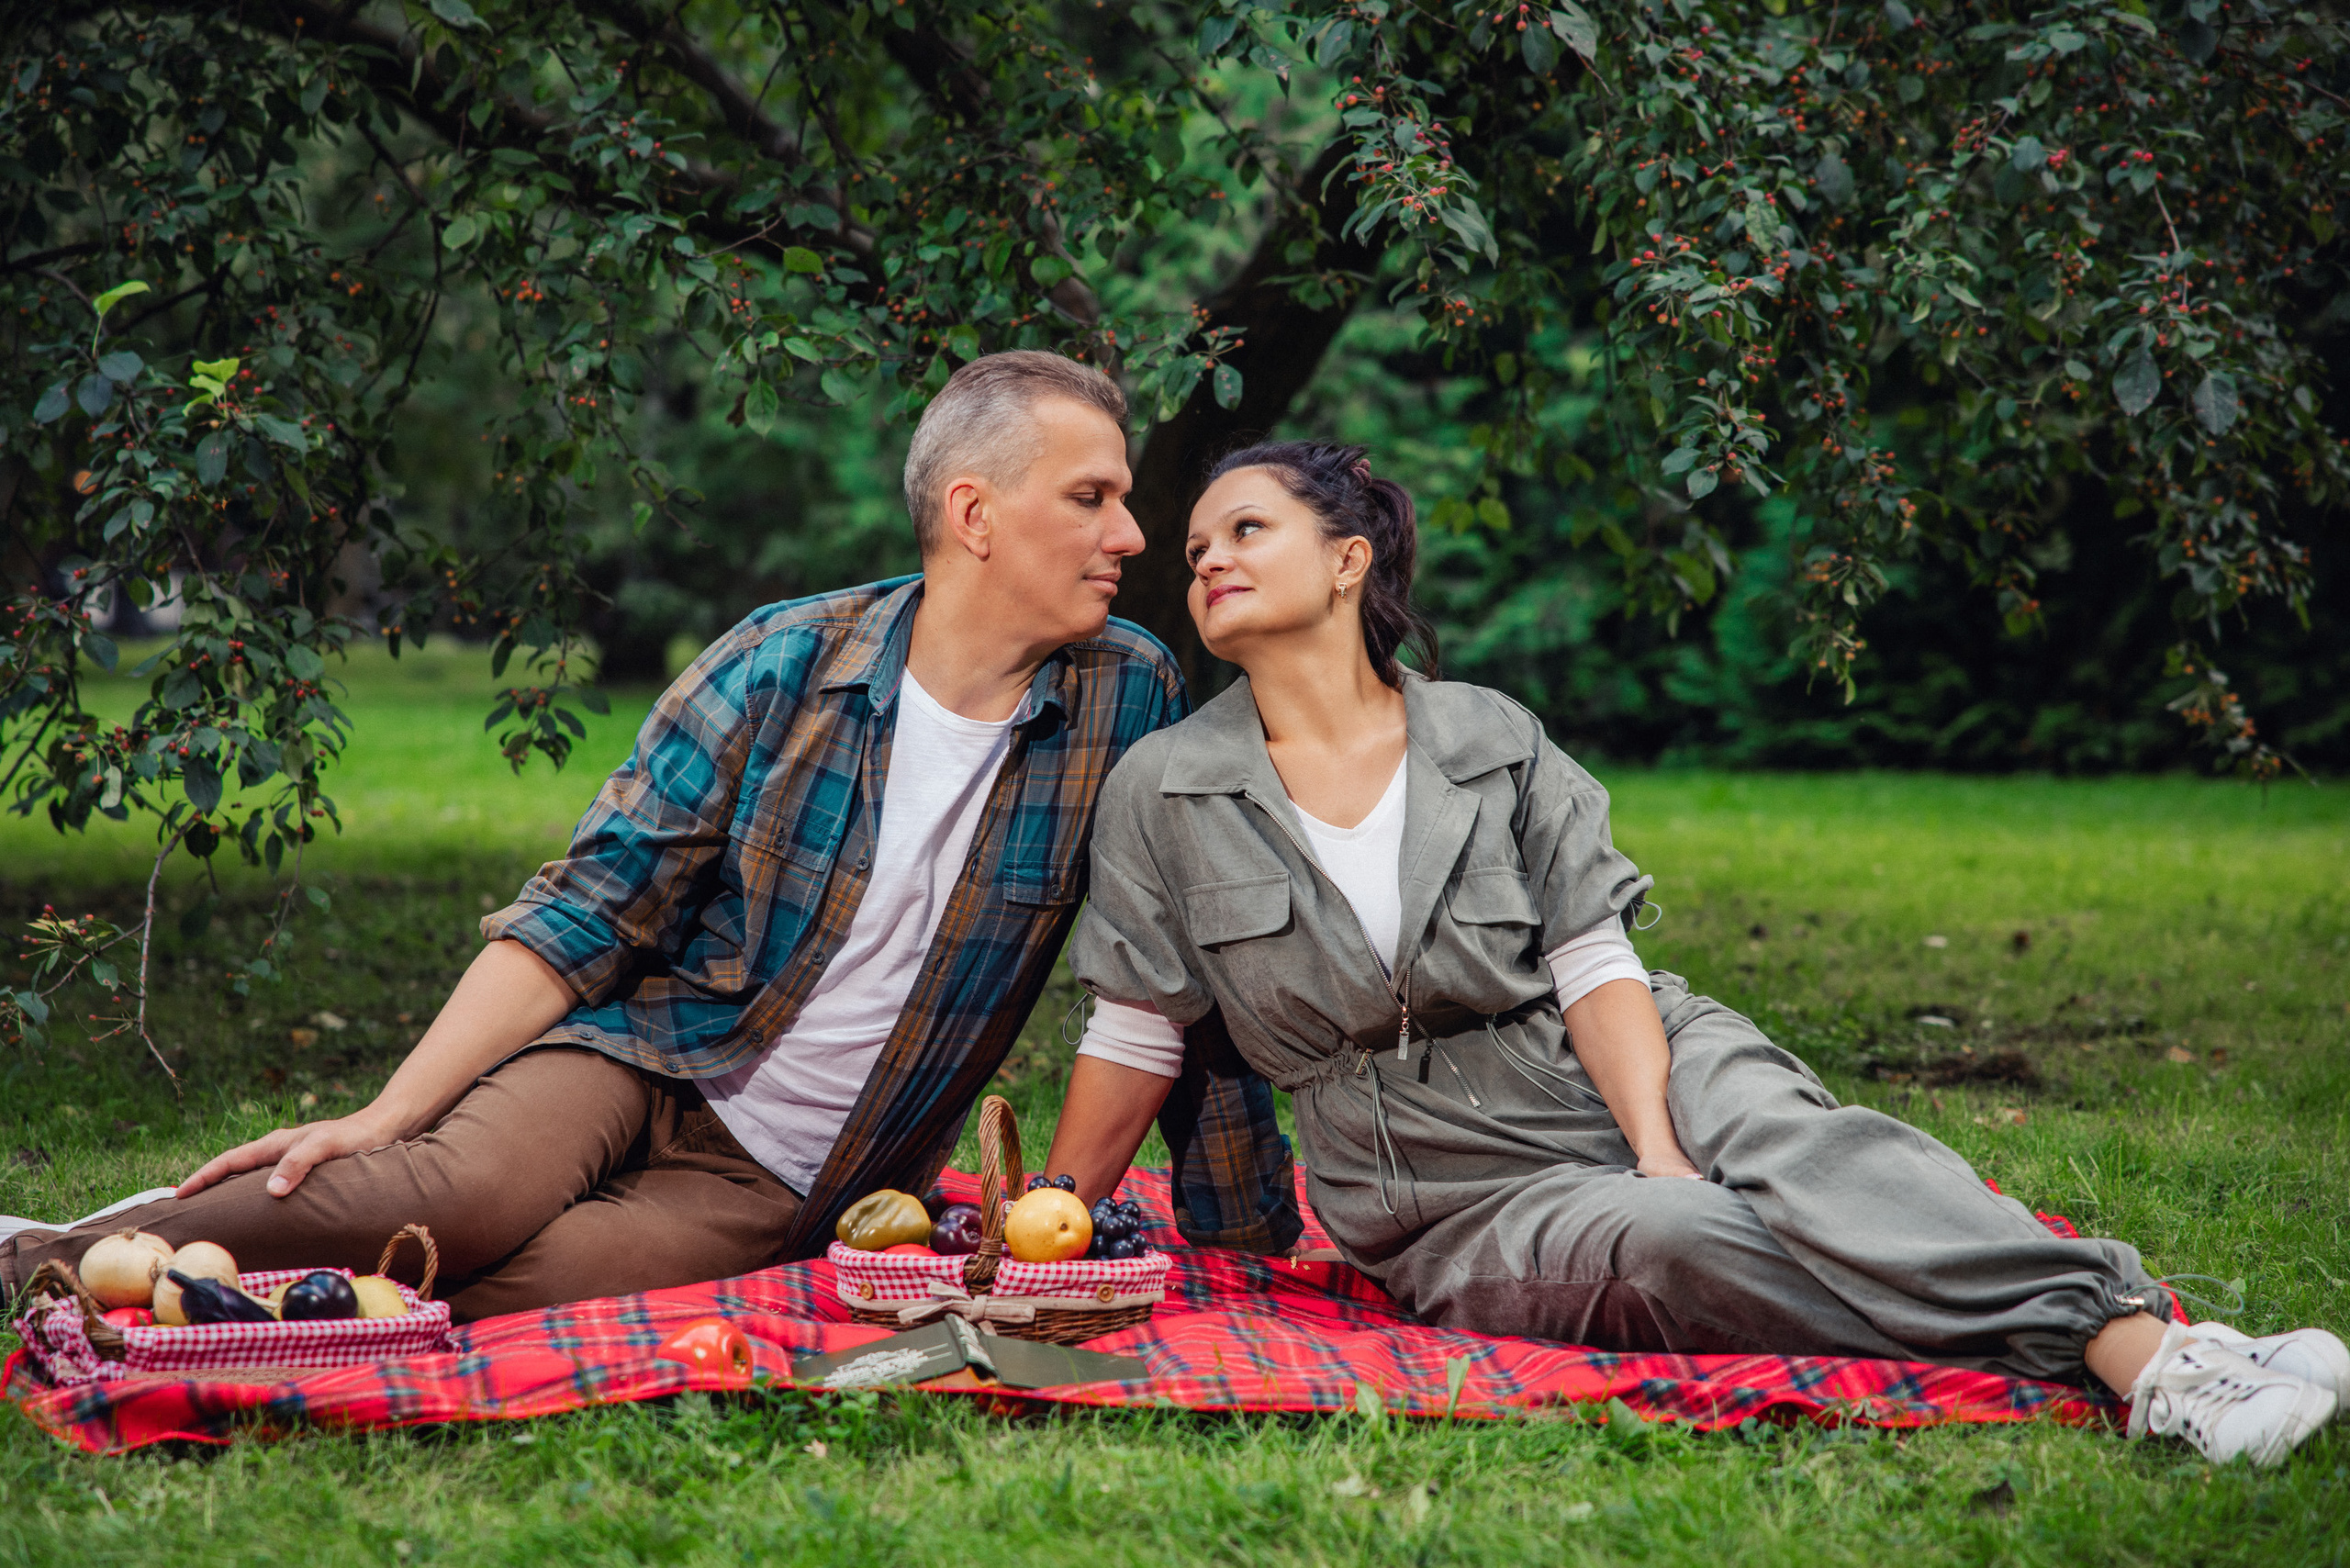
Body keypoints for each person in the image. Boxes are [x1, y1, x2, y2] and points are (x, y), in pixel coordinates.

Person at [1040, 439, 2346, 1468]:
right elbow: (1137, 1029)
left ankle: (2155, 1361)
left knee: (1808, 1155)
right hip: (1439, 1182)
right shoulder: (1166, 786)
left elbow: (1591, 959)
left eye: (1244, 530)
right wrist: (1046, 1219)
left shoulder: (1493, 736)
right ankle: (2149, 1347)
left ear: (1347, 560)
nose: (1205, 561)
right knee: (1678, 1238)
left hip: (1616, 1049)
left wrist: (1656, 1138)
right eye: (1196, 549)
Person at [0, 353, 1295, 1322]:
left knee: (513, 1287)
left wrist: (1236, 1225)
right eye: (1092, 497)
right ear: (976, 514)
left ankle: (183, 1278)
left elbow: (1171, 963)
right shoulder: (784, 662)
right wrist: (388, 1112)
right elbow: (591, 905)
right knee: (450, 1196)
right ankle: (41, 1257)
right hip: (642, 1055)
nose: (1132, 536)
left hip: (786, 1182)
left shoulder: (1125, 692)